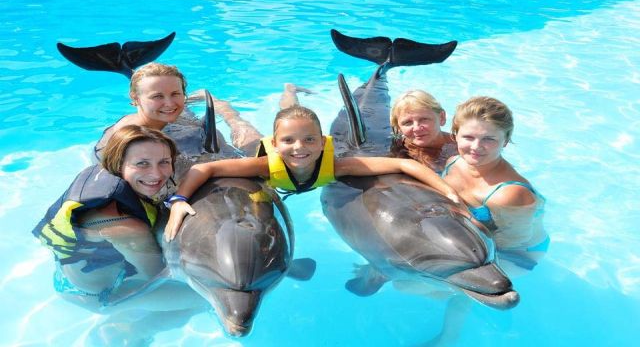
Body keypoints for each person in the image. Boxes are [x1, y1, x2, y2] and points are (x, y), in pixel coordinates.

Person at [164, 87, 461, 242]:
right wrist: (178, 200)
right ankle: (222, 104)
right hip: (256, 150)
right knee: (241, 128)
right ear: (277, 143)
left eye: (309, 141)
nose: (299, 148)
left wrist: (450, 194)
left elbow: (407, 167)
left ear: (322, 142)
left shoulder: (339, 164)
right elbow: (206, 169)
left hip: (292, 135)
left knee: (291, 113)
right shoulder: (264, 166)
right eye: (289, 141)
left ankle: (290, 91)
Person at [33, 125, 178, 306]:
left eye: (164, 162)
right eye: (142, 163)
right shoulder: (126, 227)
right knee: (205, 300)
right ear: (118, 164)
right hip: (105, 296)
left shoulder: (102, 176)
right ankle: (130, 328)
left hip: (67, 279)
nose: (156, 174)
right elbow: (158, 277)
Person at [442, 96, 548, 275]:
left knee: (412, 286)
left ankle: (461, 299)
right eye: (468, 137)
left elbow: (511, 243)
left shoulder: (510, 194)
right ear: (455, 136)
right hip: (478, 239)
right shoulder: (453, 163)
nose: (476, 146)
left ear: (505, 141)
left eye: (489, 139)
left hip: (517, 256)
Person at [93, 62, 187, 160]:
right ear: (136, 99)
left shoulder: (149, 117)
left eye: (175, 94)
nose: (170, 104)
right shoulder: (138, 140)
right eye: (157, 96)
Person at [389, 89, 458, 173]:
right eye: (407, 122)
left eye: (424, 119)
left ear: (442, 118)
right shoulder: (399, 149)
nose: (416, 128)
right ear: (398, 127)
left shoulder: (462, 144)